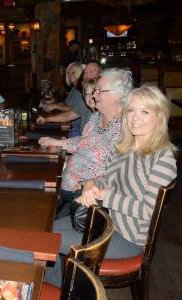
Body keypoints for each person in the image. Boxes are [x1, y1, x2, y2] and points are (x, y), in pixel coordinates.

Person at [45, 85, 178, 287]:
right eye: (131, 110)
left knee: (46, 240)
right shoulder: (126, 145)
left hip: (129, 239)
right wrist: (92, 185)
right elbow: (107, 178)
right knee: (43, 231)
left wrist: (106, 196)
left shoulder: (163, 157)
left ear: (159, 117)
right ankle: (57, 290)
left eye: (145, 111)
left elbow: (148, 211)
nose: (135, 118)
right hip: (107, 220)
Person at [39, 68, 133, 219]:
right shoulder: (97, 116)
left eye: (99, 91)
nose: (94, 95)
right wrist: (58, 142)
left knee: (38, 213)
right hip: (67, 187)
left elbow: (120, 172)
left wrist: (88, 183)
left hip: (87, 200)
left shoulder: (126, 126)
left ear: (118, 94)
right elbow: (83, 141)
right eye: (94, 90)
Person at [38, 62, 92, 137]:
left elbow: (70, 110)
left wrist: (55, 106)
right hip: (76, 130)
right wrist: (46, 119)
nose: (70, 76)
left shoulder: (82, 90)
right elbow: (69, 114)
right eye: (68, 73)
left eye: (73, 72)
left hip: (76, 130)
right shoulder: (75, 89)